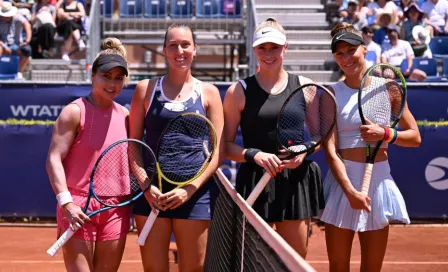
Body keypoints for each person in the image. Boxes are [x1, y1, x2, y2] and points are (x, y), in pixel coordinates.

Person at [320, 22, 421, 272]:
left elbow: (415, 137)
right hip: (343, 185)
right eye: (339, 53)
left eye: (350, 50)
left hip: (378, 183)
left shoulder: (389, 89)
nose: (346, 58)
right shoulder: (330, 93)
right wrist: (350, 192)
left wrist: (385, 133)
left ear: (364, 49)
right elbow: (331, 151)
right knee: (338, 266)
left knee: (372, 268)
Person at [222, 17, 325, 258]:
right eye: (263, 48)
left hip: (295, 181)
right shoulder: (238, 91)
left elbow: (320, 136)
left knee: (294, 260)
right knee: (255, 261)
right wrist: (254, 155)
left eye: (275, 47)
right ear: (254, 49)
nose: (269, 53)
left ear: (285, 48)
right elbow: (226, 146)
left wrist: (305, 150)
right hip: (255, 180)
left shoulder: (305, 86)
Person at [129, 23, 224, 271]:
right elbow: (134, 145)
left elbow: (216, 153)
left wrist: (189, 190)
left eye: (185, 45)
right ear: (164, 50)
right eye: (173, 45)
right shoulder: (144, 90)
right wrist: (147, 187)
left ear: (195, 49)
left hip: (195, 194)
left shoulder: (211, 93)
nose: (179, 50)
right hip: (152, 194)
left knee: (193, 268)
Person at [46, 37, 130, 271]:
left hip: (116, 207)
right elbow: (54, 159)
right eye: (106, 76)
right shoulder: (73, 112)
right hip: (78, 205)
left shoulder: (125, 115)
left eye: (118, 78)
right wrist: (67, 203)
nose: (112, 83)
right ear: (93, 75)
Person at [0, 1, 32, 78]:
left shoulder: (18, 17)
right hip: (2, 44)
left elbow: (27, 26)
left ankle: (19, 72)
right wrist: (4, 46)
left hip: (16, 45)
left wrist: (27, 41)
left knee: (27, 50)